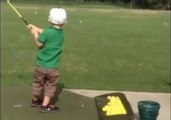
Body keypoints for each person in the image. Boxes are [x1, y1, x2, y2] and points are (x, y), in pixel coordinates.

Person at [27, 8, 67, 113]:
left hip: (40, 65)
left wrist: (34, 33)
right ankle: (45, 106)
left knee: (37, 83)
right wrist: (35, 28)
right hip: (52, 68)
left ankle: (35, 101)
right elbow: (47, 33)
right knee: (50, 86)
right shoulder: (60, 33)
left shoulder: (47, 32)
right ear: (64, 22)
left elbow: (39, 44)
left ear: (49, 19)